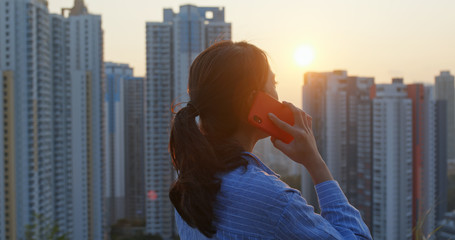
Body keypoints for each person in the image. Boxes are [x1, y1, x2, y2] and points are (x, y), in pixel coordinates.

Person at [169, 41, 372, 239]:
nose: (279, 98)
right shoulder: (274, 201)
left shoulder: (188, 185)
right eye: (273, 84)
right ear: (252, 102)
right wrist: (315, 162)